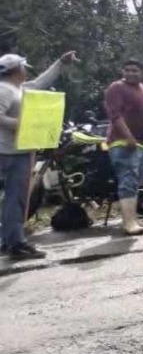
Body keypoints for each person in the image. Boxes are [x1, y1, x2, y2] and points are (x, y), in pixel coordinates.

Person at [0, 51, 76, 259]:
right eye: (24, 67)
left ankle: (9, 239)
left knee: (14, 199)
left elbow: (40, 83)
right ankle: (16, 244)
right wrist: (25, 124)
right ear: (16, 69)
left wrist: (60, 63)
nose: (26, 70)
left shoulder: (18, 88)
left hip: (19, 150)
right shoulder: (4, 90)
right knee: (16, 198)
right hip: (11, 153)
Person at [105, 59, 143, 235]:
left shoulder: (142, 89)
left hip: (142, 142)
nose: (131, 73)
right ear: (122, 71)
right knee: (128, 181)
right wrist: (129, 137)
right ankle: (129, 223)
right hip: (123, 142)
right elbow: (115, 115)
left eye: (135, 70)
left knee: (136, 182)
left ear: (141, 72)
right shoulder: (116, 87)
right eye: (127, 70)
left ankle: (133, 219)